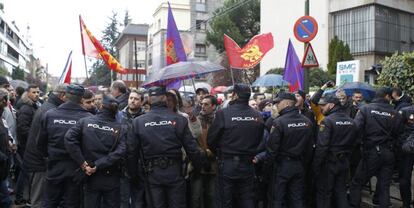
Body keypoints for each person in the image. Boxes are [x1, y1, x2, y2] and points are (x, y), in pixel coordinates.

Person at [127, 86, 205, 208]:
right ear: (164, 98)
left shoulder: (138, 122)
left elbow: (132, 152)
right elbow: (192, 149)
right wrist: (199, 167)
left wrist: (134, 176)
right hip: (174, 171)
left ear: (149, 99)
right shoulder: (179, 120)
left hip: (152, 173)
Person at [207, 84, 265, 208]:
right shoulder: (257, 115)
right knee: (247, 199)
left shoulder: (223, 114)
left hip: (228, 164)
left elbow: (211, 140)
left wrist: (220, 152)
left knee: (225, 200)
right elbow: (259, 139)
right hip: (247, 164)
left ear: (235, 95)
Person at [65, 95, 127, 208]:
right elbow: (121, 151)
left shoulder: (85, 122)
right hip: (110, 175)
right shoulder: (121, 128)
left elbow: (69, 139)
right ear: (116, 111)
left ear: (101, 106)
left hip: (90, 175)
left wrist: (83, 163)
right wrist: (97, 164)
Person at [37, 84, 92, 208]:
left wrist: (48, 157)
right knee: (71, 204)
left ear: (65, 96)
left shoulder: (50, 115)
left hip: (55, 166)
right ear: (81, 99)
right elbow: (90, 148)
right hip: (76, 168)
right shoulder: (88, 118)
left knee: (50, 203)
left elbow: (40, 143)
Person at [349, 87, 402, 208]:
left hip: (371, 152)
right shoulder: (395, 113)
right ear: (387, 97)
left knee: (357, 183)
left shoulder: (365, 109)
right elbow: (398, 133)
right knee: (384, 186)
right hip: (388, 153)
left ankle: (354, 204)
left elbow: (356, 129)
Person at [23, 84, 67, 208]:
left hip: (39, 161)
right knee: (38, 200)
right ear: (63, 95)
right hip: (38, 163)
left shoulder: (49, 107)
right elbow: (41, 140)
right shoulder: (49, 111)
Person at [266, 92, 314, 208]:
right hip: (299, 164)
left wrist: (268, 167)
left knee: (277, 198)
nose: (276, 105)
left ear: (287, 103)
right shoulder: (307, 121)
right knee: (297, 198)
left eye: (278, 103)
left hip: (282, 165)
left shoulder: (279, 122)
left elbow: (272, 149)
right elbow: (309, 148)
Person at [312, 94, 358, 208]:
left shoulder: (327, 121)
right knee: (341, 192)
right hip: (344, 162)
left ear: (331, 105)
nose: (321, 108)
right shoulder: (351, 121)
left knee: (324, 194)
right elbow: (355, 143)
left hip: (329, 163)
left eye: (323, 105)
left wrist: (316, 166)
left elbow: (322, 147)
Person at [117, 89, 146, 208]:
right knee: (123, 199)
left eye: (136, 99)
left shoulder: (146, 118)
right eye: (131, 98)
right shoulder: (119, 116)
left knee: (138, 199)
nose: (132, 101)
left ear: (142, 102)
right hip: (122, 162)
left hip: (140, 163)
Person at [15, 84, 41, 206]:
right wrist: (34, 138)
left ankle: (22, 196)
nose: (36, 94)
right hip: (26, 146)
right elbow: (22, 128)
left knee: (25, 172)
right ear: (28, 93)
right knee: (25, 172)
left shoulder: (33, 106)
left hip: (28, 145)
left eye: (38, 92)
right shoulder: (26, 108)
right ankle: (20, 197)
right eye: (34, 92)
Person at [191, 95, 218, 208]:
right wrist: (202, 152)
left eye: (206, 104)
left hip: (213, 164)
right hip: (198, 163)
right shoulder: (195, 121)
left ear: (214, 106)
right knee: (196, 196)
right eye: (202, 104)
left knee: (211, 195)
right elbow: (190, 141)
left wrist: (213, 151)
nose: (203, 106)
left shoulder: (219, 121)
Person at [396, 103, 414, 208]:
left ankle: (406, 204)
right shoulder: (406, 110)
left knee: (404, 177)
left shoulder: (405, 111)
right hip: (407, 147)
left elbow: (396, 127)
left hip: (406, 148)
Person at [0, 89, 12, 208]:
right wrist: (3, 157)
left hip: (2, 166)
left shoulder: (1, 115)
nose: (6, 102)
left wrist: (9, 142)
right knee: (6, 200)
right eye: (4, 99)